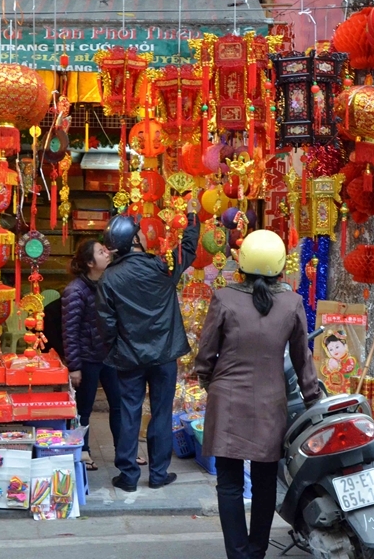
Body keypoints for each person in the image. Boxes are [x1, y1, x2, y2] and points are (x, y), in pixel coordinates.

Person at [195, 229, 322, 559]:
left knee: (229, 483)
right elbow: (301, 358)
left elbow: (206, 352)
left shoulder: (224, 298)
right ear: (281, 266)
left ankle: (238, 554)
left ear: (243, 263)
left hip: (227, 402)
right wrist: (312, 398)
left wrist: (208, 380)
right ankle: (257, 550)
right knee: (265, 483)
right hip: (271, 403)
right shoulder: (292, 303)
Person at [97, 212, 200, 491]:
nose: (144, 235)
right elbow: (187, 250)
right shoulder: (161, 266)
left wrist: (116, 348)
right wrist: (192, 222)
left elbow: (106, 324)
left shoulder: (109, 278)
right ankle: (157, 474)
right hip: (164, 355)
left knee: (129, 413)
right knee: (161, 413)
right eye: (140, 232)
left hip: (129, 358)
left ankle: (128, 477)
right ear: (134, 240)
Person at [62, 239, 143, 470]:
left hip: (111, 355)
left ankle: (125, 451)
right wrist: (74, 366)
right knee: (83, 408)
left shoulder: (109, 283)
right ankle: (83, 450)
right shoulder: (75, 291)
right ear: (89, 262)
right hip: (87, 358)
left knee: (119, 404)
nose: (106, 254)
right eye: (100, 252)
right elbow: (70, 331)